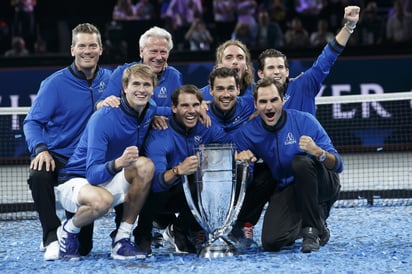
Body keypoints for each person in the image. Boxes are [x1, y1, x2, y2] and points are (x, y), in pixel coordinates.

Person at [230, 5, 360, 249]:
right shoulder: (255, 102)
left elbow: (328, 56)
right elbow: (226, 111)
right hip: (285, 178)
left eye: (280, 67)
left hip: (314, 168)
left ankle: (315, 222)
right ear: (261, 74)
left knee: (302, 164)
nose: (276, 71)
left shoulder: (305, 85)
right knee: (271, 238)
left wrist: (349, 26)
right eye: (271, 67)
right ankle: (251, 223)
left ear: (288, 71)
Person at [22, 23, 112, 261]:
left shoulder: (111, 81)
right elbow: (32, 123)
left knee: (83, 249)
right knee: (38, 173)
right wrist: (41, 149)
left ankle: (118, 239)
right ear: (72, 50)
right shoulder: (54, 83)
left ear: (101, 49)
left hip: (89, 164)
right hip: (58, 158)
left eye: (93, 45)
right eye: (81, 45)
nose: (87, 51)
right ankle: (51, 236)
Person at [56, 63, 157, 260]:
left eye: (147, 85)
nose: (142, 90)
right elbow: (92, 174)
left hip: (109, 178)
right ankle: (68, 229)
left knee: (146, 166)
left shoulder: (150, 109)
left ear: (153, 89)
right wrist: (119, 162)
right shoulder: (103, 117)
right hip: (78, 179)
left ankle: (121, 240)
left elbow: (165, 109)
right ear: (125, 88)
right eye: (136, 84)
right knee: (103, 202)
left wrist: (195, 110)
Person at [235, 77, 343, 253]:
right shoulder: (248, 132)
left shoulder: (304, 121)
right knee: (271, 242)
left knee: (300, 163)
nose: (269, 106)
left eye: (273, 100)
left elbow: (338, 165)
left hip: (323, 184)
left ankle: (311, 231)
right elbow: (233, 155)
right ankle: (318, 222)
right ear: (255, 104)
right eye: (263, 101)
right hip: (289, 187)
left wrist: (318, 152)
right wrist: (240, 160)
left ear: (283, 100)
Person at [133, 84, 233, 256]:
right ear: (173, 108)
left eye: (195, 105)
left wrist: (226, 156)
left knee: (202, 180)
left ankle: (179, 230)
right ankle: (142, 233)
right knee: (147, 183)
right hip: (155, 198)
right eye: (185, 105)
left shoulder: (206, 127)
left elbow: (231, 146)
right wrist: (178, 170)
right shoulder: (161, 134)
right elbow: (155, 185)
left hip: (185, 196)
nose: (191, 111)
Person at [206, 67, 255, 135]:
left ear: (238, 89)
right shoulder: (202, 113)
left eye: (230, 88)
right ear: (211, 90)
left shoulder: (251, 105)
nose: (226, 95)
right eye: (220, 89)